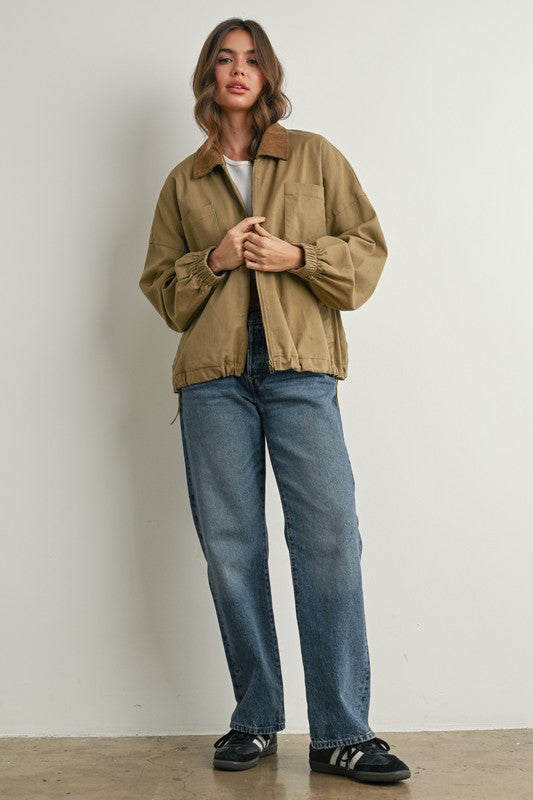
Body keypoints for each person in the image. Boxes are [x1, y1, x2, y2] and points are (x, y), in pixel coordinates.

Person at [139, 17, 411, 785]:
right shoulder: (183, 182)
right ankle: (255, 718)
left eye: (251, 58)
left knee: (327, 540)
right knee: (231, 549)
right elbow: (162, 291)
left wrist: (296, 254)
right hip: (212, 379)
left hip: (300, 369)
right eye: (224, 58)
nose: (237, 69)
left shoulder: (314, 156)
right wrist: (214, 259)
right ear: (208, 75)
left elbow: (366, 252)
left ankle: (341, 734)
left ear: (267, 74)